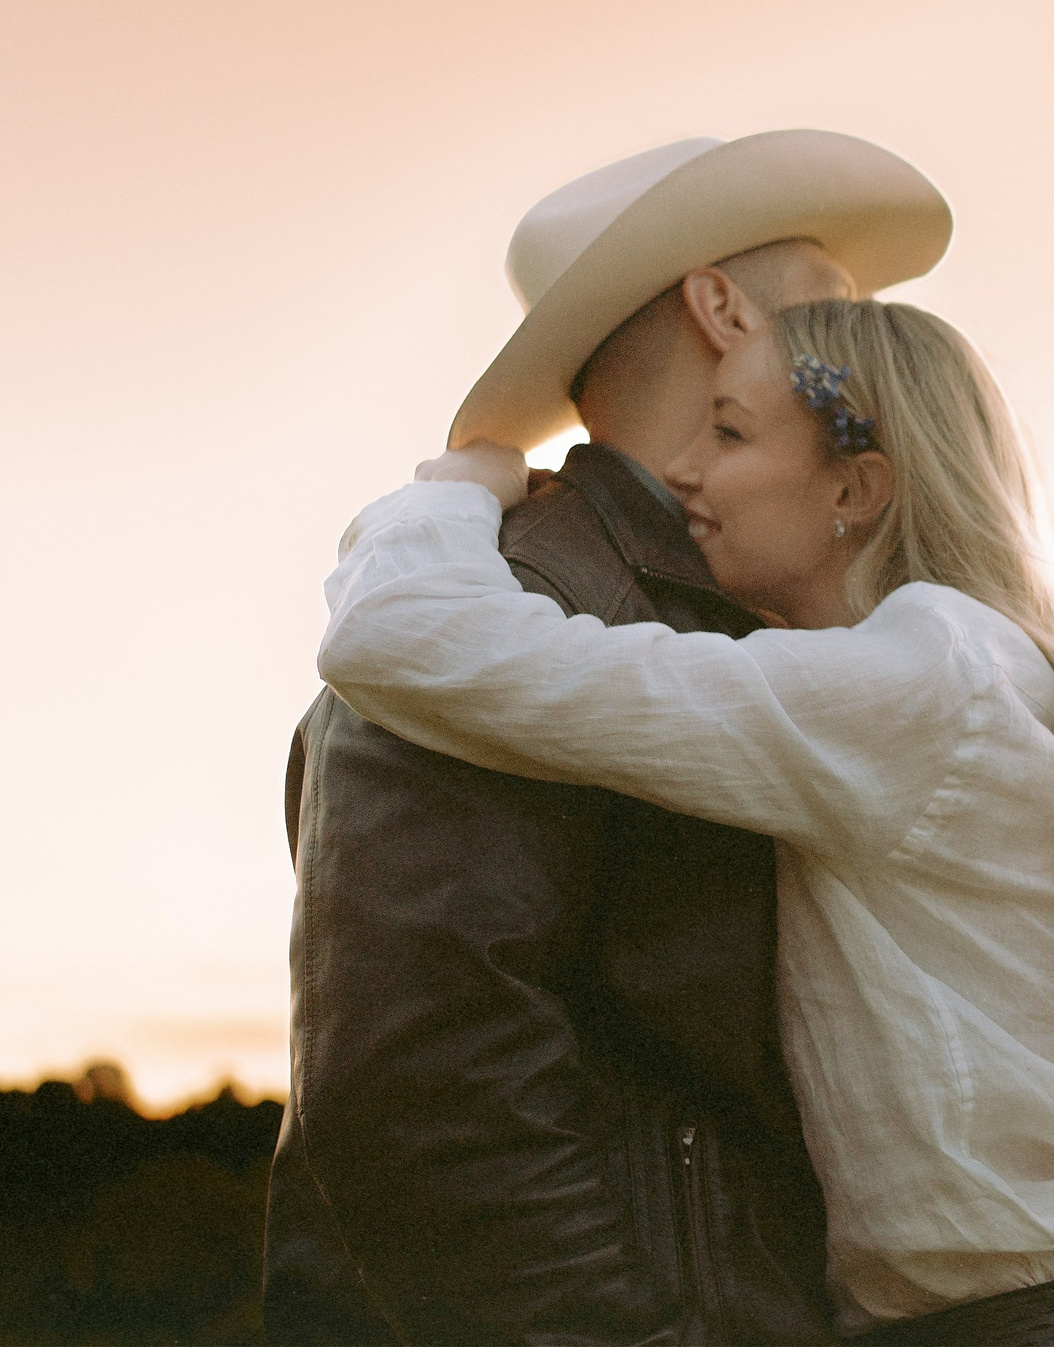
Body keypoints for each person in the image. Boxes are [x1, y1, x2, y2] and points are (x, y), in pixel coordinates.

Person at [316, 296, 1054, 1343]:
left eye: (729, 432)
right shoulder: (956, 670)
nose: (684, 471)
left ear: (854, 486)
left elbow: (401, 637)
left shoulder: (923, 680)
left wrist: (450, 497)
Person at [264, 132, 954, 1344]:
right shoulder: (503, 611)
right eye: (832, 305)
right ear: (723, 309)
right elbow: (426, 1093)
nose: (856, 346)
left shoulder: (737, 624)